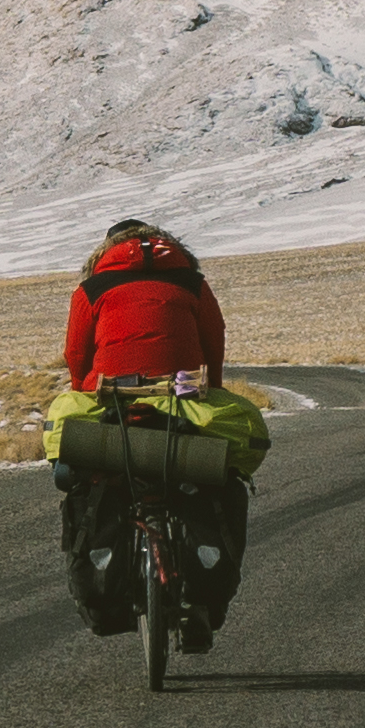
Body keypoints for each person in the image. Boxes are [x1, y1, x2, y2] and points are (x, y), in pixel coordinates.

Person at [51, 215, 251, 646]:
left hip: (115, 400)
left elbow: (75, 354)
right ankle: (200, 595)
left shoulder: (92, 289)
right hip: (184, 399)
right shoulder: (192, 282)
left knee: (86, 474)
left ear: (105, 253)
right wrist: (208, 393)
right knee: (214, 479)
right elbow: (213, 341)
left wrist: (86, 393)